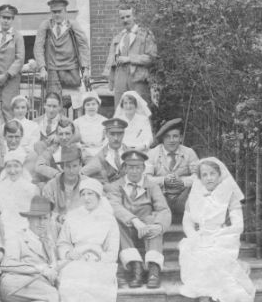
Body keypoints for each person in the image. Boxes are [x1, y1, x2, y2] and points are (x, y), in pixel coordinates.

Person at [179, 158, 256, 302]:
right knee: (196, 254)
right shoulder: (195, 195)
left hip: (224, 237)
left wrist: (220, 234)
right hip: (201, 237)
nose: (209, 178)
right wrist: (193, 235)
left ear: (220, 175)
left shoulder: (229, 194)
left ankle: (216, 296)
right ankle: (204, 296)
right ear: (200, 178)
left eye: (212, 173)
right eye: (205, 175)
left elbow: (238, 226)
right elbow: (187, 221)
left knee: (214, 257)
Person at [106, 150, 171, 289]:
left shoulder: (152, 186)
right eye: (130, 167)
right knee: (115, 221)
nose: (134, 171)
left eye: (137, 167)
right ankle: (136, 267)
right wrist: (134, 220)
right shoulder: (116, 186)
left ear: (143, 168)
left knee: (154, 221)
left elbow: (164, 209)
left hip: (147, 231)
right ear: (125, 168)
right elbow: (114, 205)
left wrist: (159, 226)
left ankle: (153, 269)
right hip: (127, 230)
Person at [57, 178, 119, 302]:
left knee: (97, 286)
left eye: (90, 194)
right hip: (75, 260)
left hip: (99, 261)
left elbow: (112, 250)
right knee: (71, 285)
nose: (86, 198)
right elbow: (63, 242)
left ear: (98, 196)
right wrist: (69, 253)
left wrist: (101, 256)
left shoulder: (108, 219)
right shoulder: (72, 216)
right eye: (83, 194)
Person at [0, 196, 59, 302]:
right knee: (52, 294)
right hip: (16, 283)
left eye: (45, 218)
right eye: (38, 217)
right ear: (29, 218)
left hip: (38, 287)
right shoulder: (17, 237)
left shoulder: (49, 242)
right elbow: (7, 263)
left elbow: (52, 268)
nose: (41, 223)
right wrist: (39, 268)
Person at [102, 7, 158, 106]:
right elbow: (111, 60)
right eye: (122, 18)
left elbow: (152, 58)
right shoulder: (118, 37)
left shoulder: (145, 34)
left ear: (134, 16)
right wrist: (111, 80)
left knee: (140, 110)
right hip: (120, 78)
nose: (125, 20)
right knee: (120, 110)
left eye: (128, 16)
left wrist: (129, 59)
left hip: (137, 78)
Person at [145, 118, 199, 219]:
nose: (171, 140)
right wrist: (164, 180)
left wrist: (182, 181)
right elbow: (146, 179)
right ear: (162, 139)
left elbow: (198, 176)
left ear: (181, 138)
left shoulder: (189, 152)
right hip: (161, 196)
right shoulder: (152, 154)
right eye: (167, 137)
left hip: (183, 196)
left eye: (175, 136)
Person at [34, 0, 90, 95]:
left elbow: (83, 46)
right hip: (52, 70)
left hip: (70, 69)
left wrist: (86, 69)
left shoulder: (72, 25)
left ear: (65, 11)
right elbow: (38, 47)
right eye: (54, 12)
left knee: (73, 102)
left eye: (59, 11)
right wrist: (42, 68)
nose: (56, 14)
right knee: (53, 100)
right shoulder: (46, 25)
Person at [0, 4, 25, 122]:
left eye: (9, 18)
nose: (6, 21)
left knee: (9, 107)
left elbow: (20, 58)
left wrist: (6, 75)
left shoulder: (17, 36)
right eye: (3, 17)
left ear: (13, 19)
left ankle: (11, 135)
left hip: (10, 80)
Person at [0, 150, 40, 241]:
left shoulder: (32, 188)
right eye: (9, 166)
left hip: (26, 227)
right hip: (5, 228)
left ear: (22, 167)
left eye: (16, 166)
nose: (12, 171)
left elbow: (36, 214)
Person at [41, 145, 87, 229]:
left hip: (82, 226)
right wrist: (58, 217)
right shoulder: (51, 185)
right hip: (57, 227)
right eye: (68, 166)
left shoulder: (87, 183)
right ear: (62, 166)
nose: (71, 170)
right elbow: (45, 212)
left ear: (80, 165)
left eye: (75, 166)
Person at [0, 120, 33, 191]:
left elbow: (31, 180)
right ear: (4, 136)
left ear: (21, 136)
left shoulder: (28, 155)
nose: (13, 141)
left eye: (17, 137)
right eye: (10, 137)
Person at [81, 118, 128, 184]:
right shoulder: (99, 156)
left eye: (119, 134)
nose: (116, 138)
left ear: (123, 134)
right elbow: (81, 175)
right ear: (106, 134)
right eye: (112, 134)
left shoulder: (131, 154)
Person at [35, 119, 77, 183]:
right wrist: (57, 174)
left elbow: (93, 163)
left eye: (67, 134)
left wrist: (80, 174)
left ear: (73, 134)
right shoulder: (51, 150)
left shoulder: (79, 149)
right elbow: (39, 166)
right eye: (61, 134)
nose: (64, 137)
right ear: (57, 135)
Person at [73, 91, 107, 161]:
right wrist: (82, 147)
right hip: (84, 151)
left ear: (98, 105)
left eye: (93, 104)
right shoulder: (77, 122)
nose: (91, 107)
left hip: (101, 150)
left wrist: (101, 148)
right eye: (88, 105)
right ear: (84, 107)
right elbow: (74, 140)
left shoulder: (105, 121)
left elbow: (107, 139)